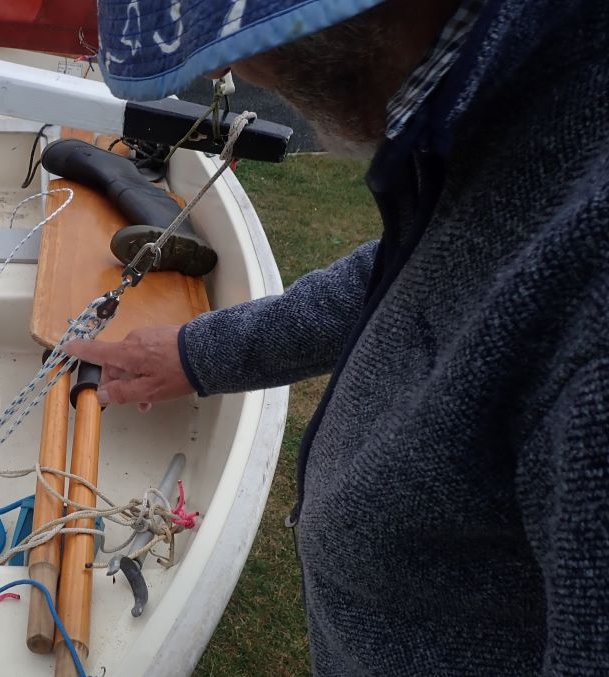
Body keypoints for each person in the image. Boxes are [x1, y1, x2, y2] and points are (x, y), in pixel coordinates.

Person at [66, 0, 609, 674]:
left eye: (223, 39)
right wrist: (197, 351)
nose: (223, 70)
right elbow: (419, 269)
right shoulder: (523, 110)